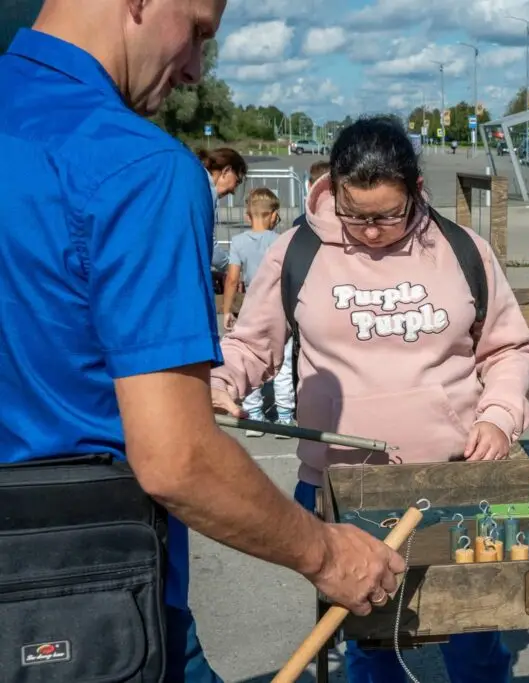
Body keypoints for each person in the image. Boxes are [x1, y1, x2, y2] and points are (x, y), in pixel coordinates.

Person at [0, 3, 404, 682]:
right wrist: (329, 555)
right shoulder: (138, 167)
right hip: (86, 597)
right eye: (198, 31)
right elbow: (175, 458)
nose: (192, 70)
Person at [209, 115, 529, 683]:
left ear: (415, 190)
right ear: (334, 189)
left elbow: (508, 347)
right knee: (371, 644)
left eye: (388, 215)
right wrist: (221, 383)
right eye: (356, 216)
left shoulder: (461, 249)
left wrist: (500, 417)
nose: (373, 231)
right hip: (341, 488)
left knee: (477, 634)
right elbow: (251, 344)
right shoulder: (299, 250)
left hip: (454, 480)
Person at [222, 187, 296, 436]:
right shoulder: (282, 241)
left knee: (249, 359)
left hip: (249, 310)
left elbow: (232, 279)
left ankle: (254, 415)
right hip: (279, 310)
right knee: (283, 363)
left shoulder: (238, 242)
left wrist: (226, 310)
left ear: (246, 216)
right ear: (274, 216)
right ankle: (284, 416)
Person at [198, 146, 248, 274]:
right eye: (237, 182)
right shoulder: (206, 193)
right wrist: (231, 267)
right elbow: (208, 244)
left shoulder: (198, 182)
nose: (233, 191)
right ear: (226, 171)